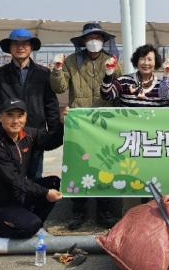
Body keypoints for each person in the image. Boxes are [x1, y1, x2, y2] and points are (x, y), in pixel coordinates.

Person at [50, 22, 122, 230]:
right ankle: (78, 212)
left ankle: (105, 211)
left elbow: (120, 86)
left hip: (104, 121)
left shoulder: (112, 60)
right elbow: (59, 86)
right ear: (83, 42)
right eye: (90, 39)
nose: (94, 42)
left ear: (103, 41)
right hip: (79, 122)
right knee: (78, 165)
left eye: (98, 38)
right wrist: (56, 70)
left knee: (105, 163)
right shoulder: (72, 61)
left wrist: (112, 72)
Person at [0, 28, 60, 179]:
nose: (21, 47)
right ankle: (11, 203)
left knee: (34, 176)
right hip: (7, 136)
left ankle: (32, 203)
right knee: (8, 177)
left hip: (35, 134)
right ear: (9, 49)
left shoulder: (43, 73)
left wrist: (53, 132)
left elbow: (51, 104)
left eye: (25, 43)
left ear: (31, 48)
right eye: (16, 44)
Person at [0, 99, 63, 239]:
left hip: (17, 197)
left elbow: (51, 142)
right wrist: (45, 192)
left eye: (20, 116)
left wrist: (63, 123)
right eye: (10, 115)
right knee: (30, 225)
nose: (15, 121)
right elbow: (15, 179)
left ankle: (32, 225)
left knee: (54, 182)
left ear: (26, 117)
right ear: (0, 117)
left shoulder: (28, 134)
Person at [101, 44, 169, 107]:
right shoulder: (124, 81)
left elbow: (166, 105)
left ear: (156, 62)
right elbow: (106, 96)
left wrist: (167, 74)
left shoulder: (161, 84)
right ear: (136, 61)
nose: (146, 63)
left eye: (149, 59)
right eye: (142, 59)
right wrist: (109, 72)